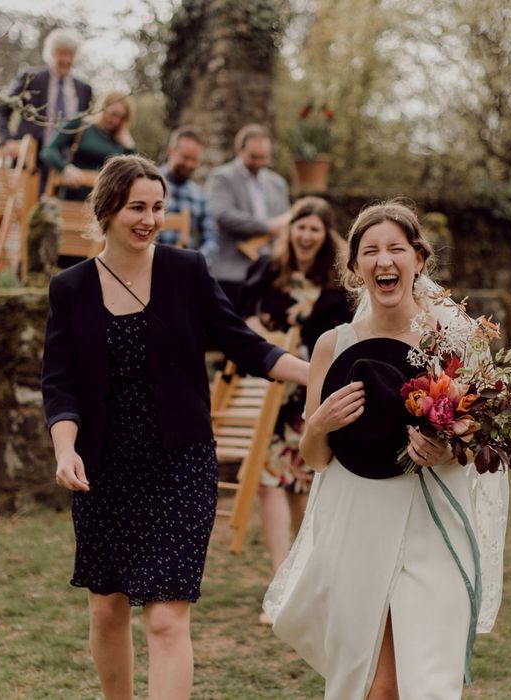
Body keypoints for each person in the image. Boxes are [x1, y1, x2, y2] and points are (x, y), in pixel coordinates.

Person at [41, 154, 308, 700]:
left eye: (158, 207)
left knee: (166, 618)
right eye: (138, 206)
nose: (151, 218)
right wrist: (65, 449)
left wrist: (316, 374)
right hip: (102, 468)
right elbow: (60, 383)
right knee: (107, 606)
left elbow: (244, 343)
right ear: (108, 209)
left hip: (180, 463)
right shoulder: (70, 288)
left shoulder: (186, 272)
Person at [263, 201, 509, 699]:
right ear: (354, 268)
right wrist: (320, 425)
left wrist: (446, 450)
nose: (384, 260)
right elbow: (317, 459)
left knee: (427, 679)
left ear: (419, 258)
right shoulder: (332, 345)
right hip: (358, 519)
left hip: (433, 520)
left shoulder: (454, 341)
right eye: (369, 251)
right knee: (374, 683)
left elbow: (482, 446)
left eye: (396, 248)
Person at [240, 197, 352, 601]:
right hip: (268, 392)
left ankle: (310, 574)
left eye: (314, 229)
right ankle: (281, 580)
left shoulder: (340, 282)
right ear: (291, 230)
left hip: (312, 395)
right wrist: (256, 330)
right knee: (270, 482)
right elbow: (241, 314)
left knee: (304, 486)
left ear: (325, 236)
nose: (306, 235)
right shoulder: (268, 268)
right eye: (300, 226)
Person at [205, 123, 290, 310]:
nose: (259, 162)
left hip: (267, 271)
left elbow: (285, 220)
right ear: (239, 150)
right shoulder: (222, 177)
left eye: (264, 157)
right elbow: (223, 214)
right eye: (253, 157)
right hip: (231, 272)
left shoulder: (278, 183)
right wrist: (267, 226)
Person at [0, 28, 93, 163]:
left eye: (70, 54)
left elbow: (84, 126)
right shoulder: (31, 78)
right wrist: (6, 140)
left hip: (64, 160)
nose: (65, 59)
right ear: (52, 54)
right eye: (61, 53)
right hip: (29, 157)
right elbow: (4, 107)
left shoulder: (84, 89)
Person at [41, 91, 136, 201]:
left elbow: (132, 170)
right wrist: (65, 168)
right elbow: (48, 150)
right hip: (72, 196)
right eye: (113, 114)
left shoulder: (121, 139)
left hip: (104, 201)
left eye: (121, 117)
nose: (116, 121)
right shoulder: (80, 124)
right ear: (103, 108)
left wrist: (130, 146)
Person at [157, 126, 219, 269]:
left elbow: (211, 239)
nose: (189, 164)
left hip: (184, 269)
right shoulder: (151, 183)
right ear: (171, 151)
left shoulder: (199, 194)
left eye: (194, 160)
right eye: (185, 157)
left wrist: (195, 262)